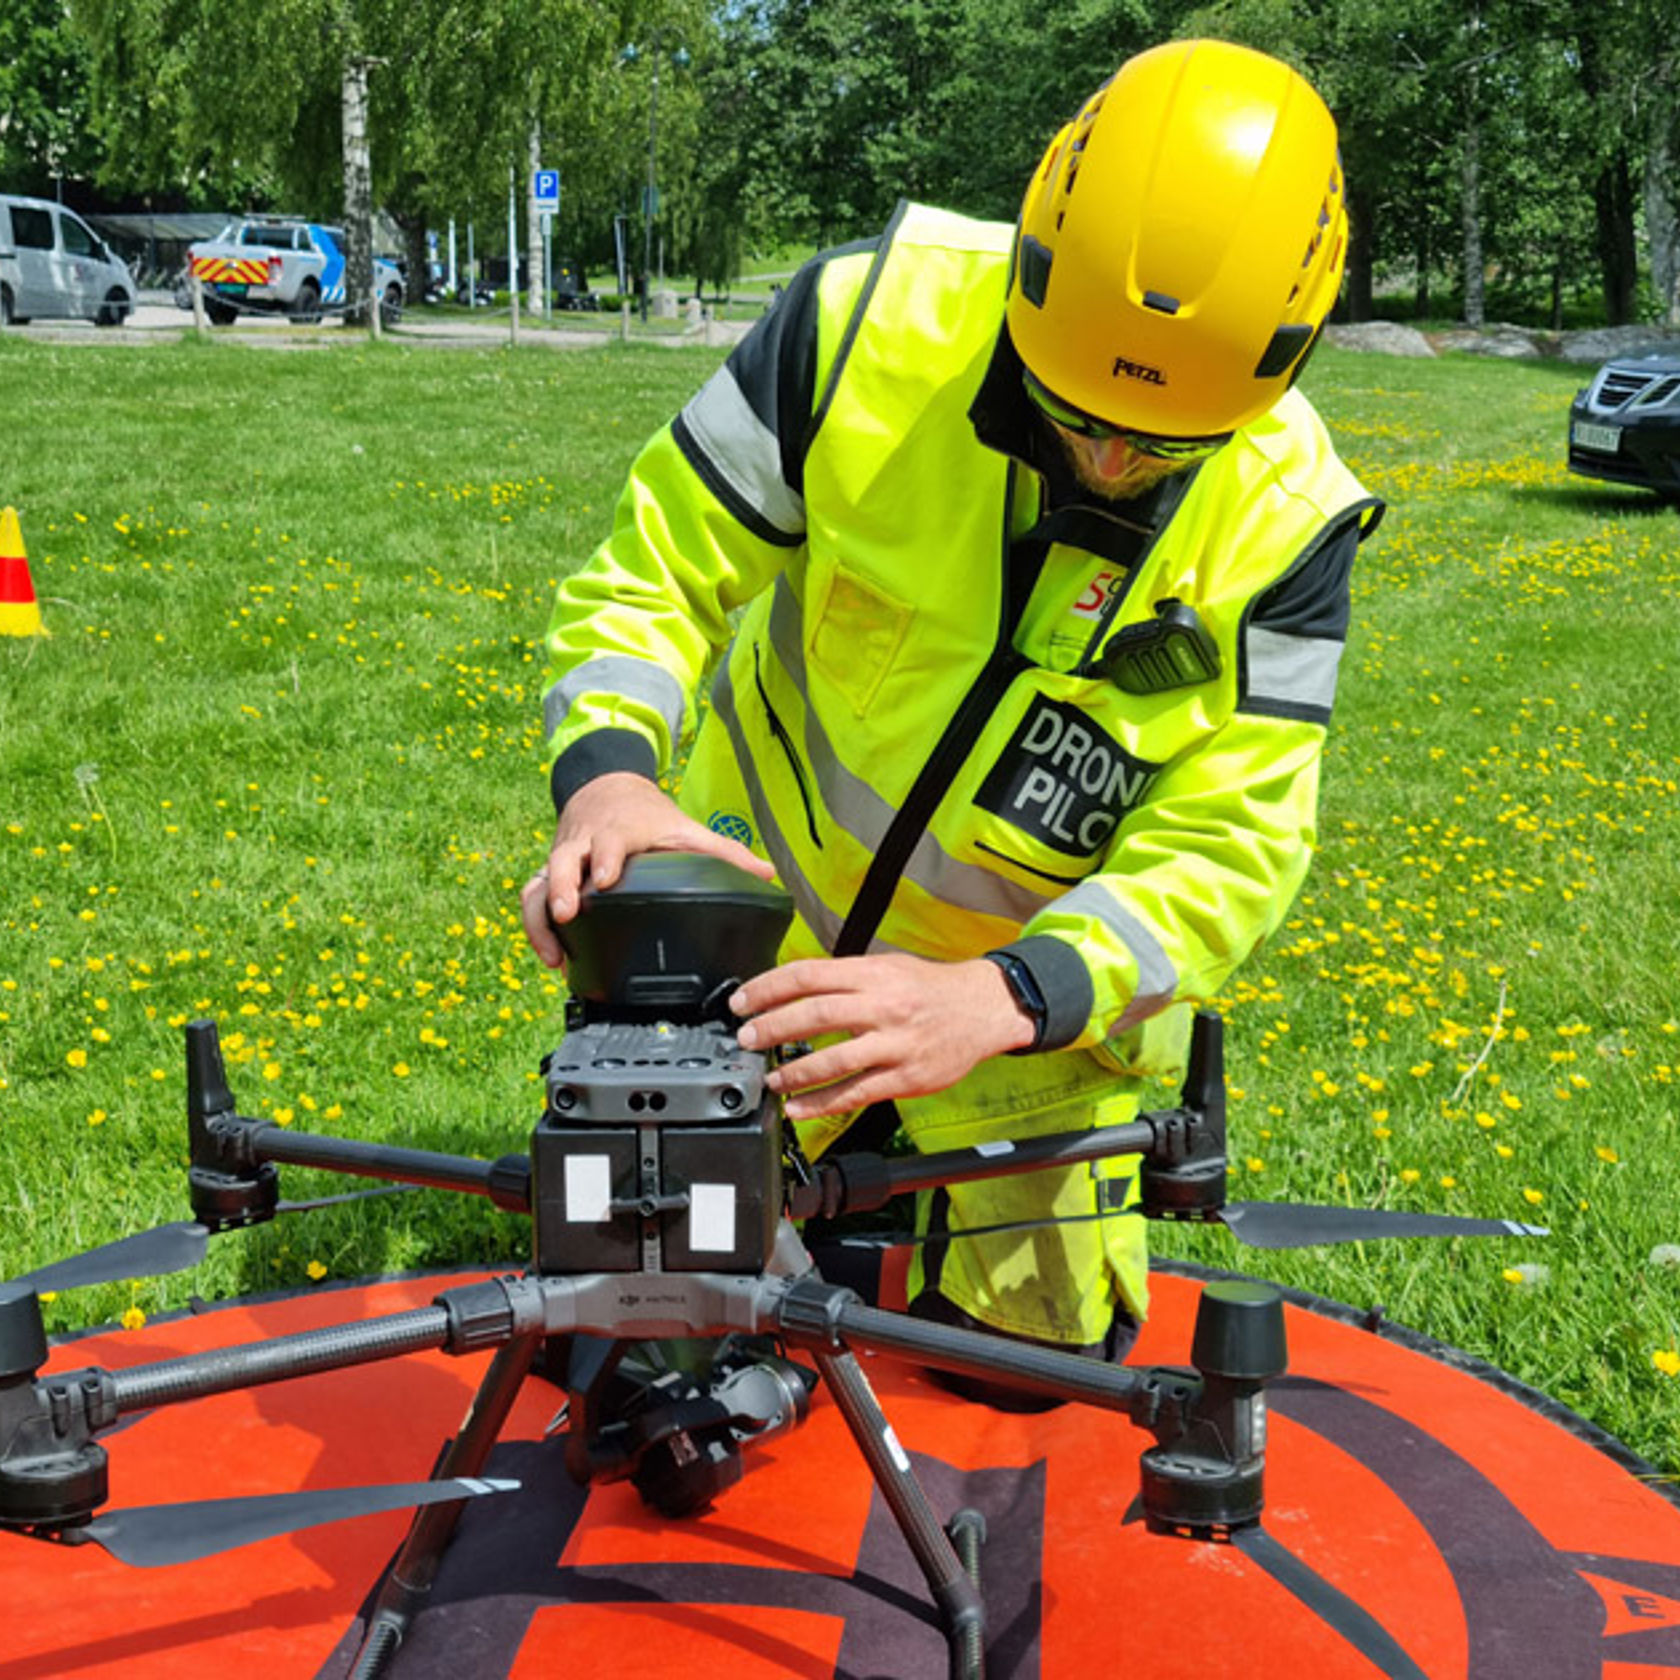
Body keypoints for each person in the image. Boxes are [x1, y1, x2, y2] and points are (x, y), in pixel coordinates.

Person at [523, 37, 1384, 1379]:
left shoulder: (1290, 528)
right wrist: (612, 781)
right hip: (759, 960)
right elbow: (650, 575)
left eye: (1159, 448)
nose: (1105, 462)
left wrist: (1004, 995)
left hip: (1013, 1028)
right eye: (1070, 409)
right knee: (650, 1357)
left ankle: (895, 1228)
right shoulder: (860, 328)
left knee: (1027, 1378)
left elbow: (1232, 845)